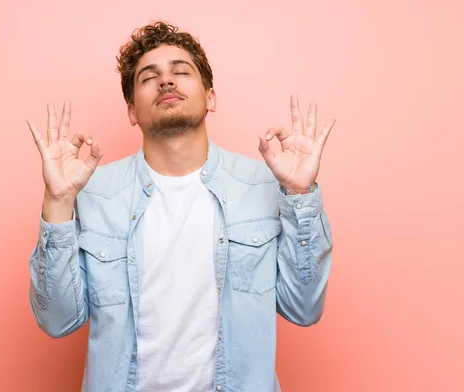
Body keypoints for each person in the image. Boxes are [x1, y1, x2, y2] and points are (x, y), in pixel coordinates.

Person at [26, 21, 335, 392]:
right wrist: (58, 202)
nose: (166, 82)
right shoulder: (92, 193)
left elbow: (304, 310)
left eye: (181, 71)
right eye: (148, 77)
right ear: (131, 111)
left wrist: (301, 195)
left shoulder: (266, 185)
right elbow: (57, 320)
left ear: (211, 97)